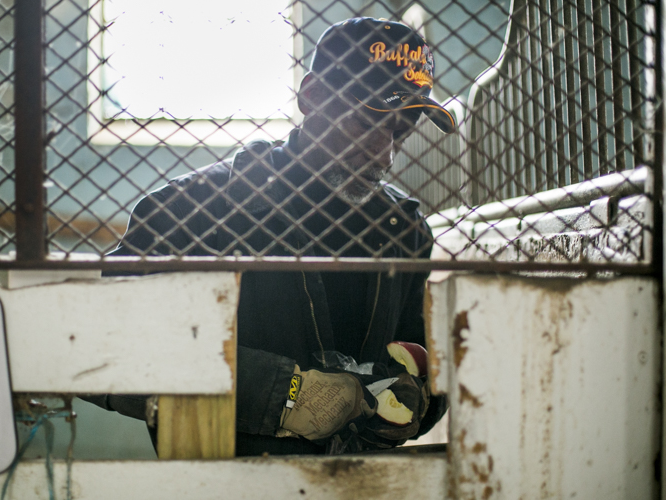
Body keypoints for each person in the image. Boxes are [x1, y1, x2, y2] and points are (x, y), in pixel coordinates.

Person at [83, 17, 454, 456]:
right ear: (313, 96)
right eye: (365, 121)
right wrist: (285, 397)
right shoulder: (190, 209)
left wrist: (422, 402)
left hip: (360, 484)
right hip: (226, 484)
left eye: (399, 131)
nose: (384, 152)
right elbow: (96, 346)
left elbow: (426, 357)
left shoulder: (405, 229)